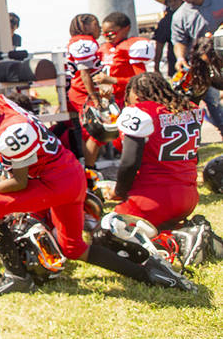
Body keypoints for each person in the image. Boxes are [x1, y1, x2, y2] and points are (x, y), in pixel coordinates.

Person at [0, 89, 194, 295]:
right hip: (68, 173)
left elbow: (19, 183)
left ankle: (16, 275)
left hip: (56, 183)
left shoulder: (8, 133)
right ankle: (147, 272)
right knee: (72, 247)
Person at [103, 72, 201, 230]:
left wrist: (119, 191)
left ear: (136, 94)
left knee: (106, 232)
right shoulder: (190, 109)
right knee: (157, 229)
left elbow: (129, 163)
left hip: (153, 198)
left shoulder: (140, 112)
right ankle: (175, 233)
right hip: (188, 197)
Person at [170, 0, 223, 131]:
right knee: (208, 103)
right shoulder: (180, 16)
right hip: (202, 65)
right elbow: (179, 42)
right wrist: (180, 58)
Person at [64, 13, 107, 167]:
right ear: (85, 25)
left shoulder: (85, 42)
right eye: (96, 24)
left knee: (90, 132)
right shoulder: (84, 42)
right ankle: (90, 169)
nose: (100, 28)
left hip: (86, 90)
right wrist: (94, 97)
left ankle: (90, 167)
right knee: (97, 131)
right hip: (84, 91)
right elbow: (84, 73)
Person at [99, 11, 155, 107]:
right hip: (112, 99)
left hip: (131, 98)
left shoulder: (131, 47)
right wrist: (103, 87)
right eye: (104, 34)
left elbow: (142, 79)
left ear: (126, 29)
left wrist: (114, 80)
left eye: (111, 33)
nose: (107, 37)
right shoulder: (103, 48)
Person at [151, 0, 181, 76]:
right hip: (177, 66)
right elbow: (159, 45)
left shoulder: (196, 14)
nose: (172, 3)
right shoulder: (165, 22)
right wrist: (156, 68)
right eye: (170, 0)